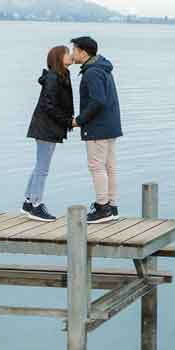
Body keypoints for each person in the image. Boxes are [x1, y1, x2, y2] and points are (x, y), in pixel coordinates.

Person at [69, 35, 122, 223]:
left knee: (96, 166)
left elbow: (98, 101)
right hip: (110, 125)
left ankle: (102, 207)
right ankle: (112, 206)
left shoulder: (92, 72)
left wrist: (79, 120)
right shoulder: (102, 68)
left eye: (74, 49)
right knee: (109, 166)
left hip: (98, 127)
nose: (72, 53)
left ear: (83, 52)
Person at [21, 44, 78, 221]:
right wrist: (68, 121)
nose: (71, 55)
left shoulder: (62, 75)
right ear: (59, 58)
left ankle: (29, 201)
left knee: (40, 165)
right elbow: (49, 105)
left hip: (47, 127)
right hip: (45, 127)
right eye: (67, 53)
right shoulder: (54, 78)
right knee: (42, 168)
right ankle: (36, 205)